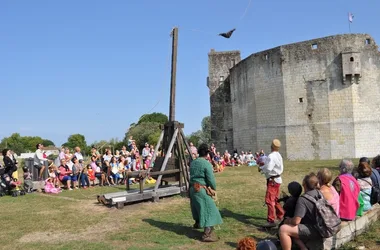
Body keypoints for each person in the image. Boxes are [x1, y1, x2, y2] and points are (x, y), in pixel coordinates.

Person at [189, 143, 223, 242]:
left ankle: (198, 223)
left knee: (197, 207)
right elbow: (210, 179)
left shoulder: (193, 162)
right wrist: (213, 188)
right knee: (210, 210)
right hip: (200, 189)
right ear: (207, 154)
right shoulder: (206, 163)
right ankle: (206, 234)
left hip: (192, 189)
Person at [279, 173, 322, 250]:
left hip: (315, 229)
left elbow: (296, 221)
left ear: (304, 185)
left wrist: (288, 220)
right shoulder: (319, 193)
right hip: (322, 225)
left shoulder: (303, 199)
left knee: (284, 229)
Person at [258, 139, 285, 227]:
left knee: (269, 200)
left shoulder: (272, 156)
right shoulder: (278, 155)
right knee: (276, 200)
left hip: (272, 180)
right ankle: (281, 216)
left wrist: (261, 169)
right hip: (277, 179)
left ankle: (271, 220)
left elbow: (269, 168)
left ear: (271, 146)